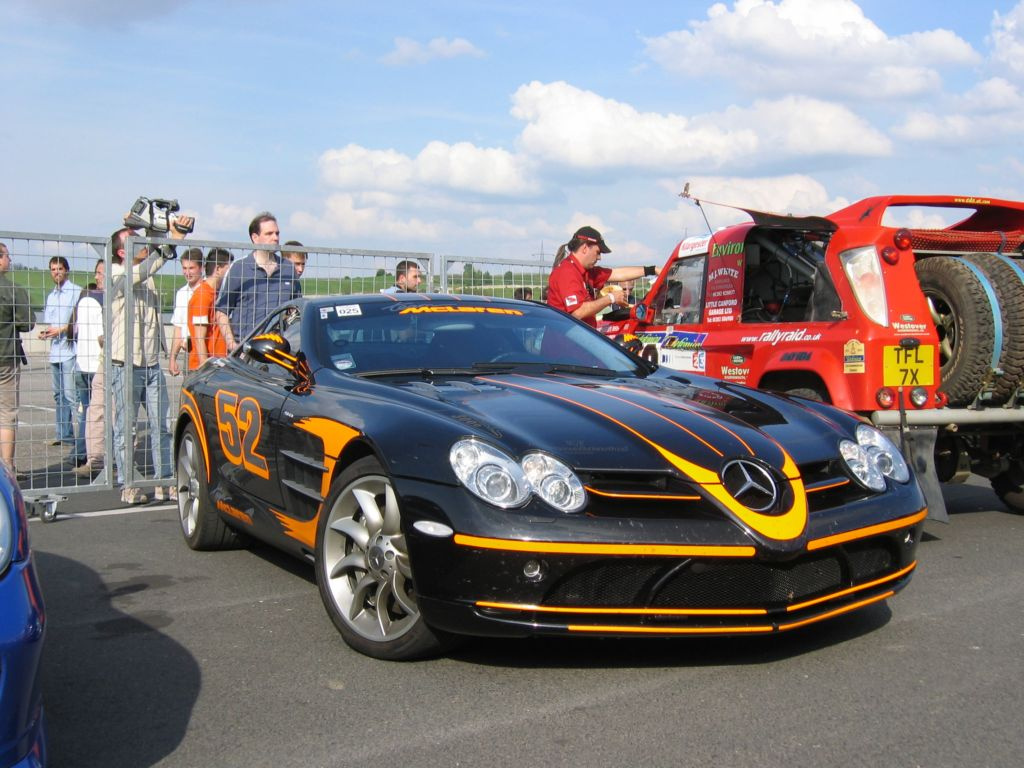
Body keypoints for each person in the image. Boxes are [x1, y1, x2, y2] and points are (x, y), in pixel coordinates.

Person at [108, 220, 192, 504]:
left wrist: (165, 226)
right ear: (122, 252)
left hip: (150, 362)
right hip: (125, 363)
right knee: (126, 427)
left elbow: (154, 252)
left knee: (163, 425)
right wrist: (172, 240)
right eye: (135, 240)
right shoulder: (117, 274)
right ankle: (128, 483)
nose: (143, 244)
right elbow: (147, 266)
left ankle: (163, 480)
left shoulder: (145, 273)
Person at [215, 212, 301, 352]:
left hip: (278, 350)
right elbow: (221, 311)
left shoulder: (288, 269)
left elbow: (297, 310)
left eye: (277, 233)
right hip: (245, 350)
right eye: (269, 234)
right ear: (255, 237)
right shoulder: (239, 268)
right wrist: (232, 345)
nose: (275, 238)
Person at [546, 226, 659, 328]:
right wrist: (611, 298)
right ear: (585, 248)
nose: (599, 258)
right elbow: (578, 311)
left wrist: (652, 270)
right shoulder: (567, 272)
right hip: (564, 344)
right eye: (598, 252)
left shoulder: (586, 271)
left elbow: (618, 274)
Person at [39, 255, 82, 445]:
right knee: (58, 395)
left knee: (72, 395)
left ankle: (82, 437)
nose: (56, 272)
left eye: (60, 269)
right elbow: (51, 322)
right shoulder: (51, 295)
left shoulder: (76, 292)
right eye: (53, 269)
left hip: (69, 351)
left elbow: (78, 322)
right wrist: (47, 332)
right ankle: (63, 434)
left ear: (67, 270)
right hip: (55, 351)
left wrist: (62, 329)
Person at [0, 243, 32, 479]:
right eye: (7, 256)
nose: (9, 260)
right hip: (6, 356)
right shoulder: (13, 290)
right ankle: (7, 467)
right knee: (7, 413)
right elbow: (27, 323)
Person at [70, 259, 105, 473]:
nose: (97, 277)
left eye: (100, 273)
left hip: (83, 363)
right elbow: (102, 337)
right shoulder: (98, 302)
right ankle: (93, 456)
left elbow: (73, 331)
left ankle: (81, 453)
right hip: (94, 364)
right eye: (97, 273)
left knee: (88, 412)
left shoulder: (83, 300)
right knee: (97, 413)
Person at [188, 248, 233, 368]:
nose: (231, 274)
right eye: (229, 269)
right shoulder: (203, 296)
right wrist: (205, 367)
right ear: (218, 269)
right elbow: (199, 337)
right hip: (206, 367)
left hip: (219, 363)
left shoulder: (216, 294)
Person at [168, 248, 204, 377]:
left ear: (202, 268)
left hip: (207, 351)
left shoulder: (209, 292)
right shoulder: (182, 293)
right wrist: (172, 358)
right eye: (184, 268)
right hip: (189, 352)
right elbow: (178, 328)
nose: (187, 272)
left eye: (191, 268)